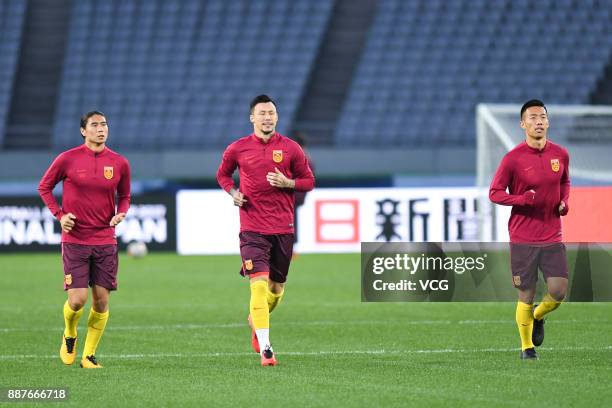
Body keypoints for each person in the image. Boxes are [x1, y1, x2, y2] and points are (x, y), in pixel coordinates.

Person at [216, 95, 315, 366]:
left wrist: (288, 182)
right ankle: (266, 348)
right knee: (257, 285)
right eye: (262, 113)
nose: (267, 117)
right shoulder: (238, 148)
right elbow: (222, 175)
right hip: (252, 228)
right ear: (252, 118)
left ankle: (255, 320)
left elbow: (309, 182)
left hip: (283, 228)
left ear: (277, 116)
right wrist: (232, 192)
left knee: (276, 288)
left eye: (271, 113)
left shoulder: (292, 148)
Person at [38, 111, 131, 368]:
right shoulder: (67, 159)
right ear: (83, 131)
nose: (101, 129)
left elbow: (125, 195)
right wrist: (59, 215)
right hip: (75, 240)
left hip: (105, 240)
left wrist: (122, 212)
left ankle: (89, 356)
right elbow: (44, 187)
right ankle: (70, 332)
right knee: (77, 300)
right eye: (95, 125)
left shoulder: (119, 162)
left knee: (101, 301)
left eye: (104, 124)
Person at [489, 99, 570, 360]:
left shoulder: (561, 154)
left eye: (543, 117)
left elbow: (565, 181)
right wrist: (521, 199)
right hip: (523, 236)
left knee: (558, 292)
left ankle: (537, 315)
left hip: (552, 235)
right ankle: (527, 348)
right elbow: (495, 193)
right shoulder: (513, 159)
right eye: (533, 117)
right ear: (523, 124)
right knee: (526, 292)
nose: (539, 122)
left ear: (548, 122)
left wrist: (564, 202)